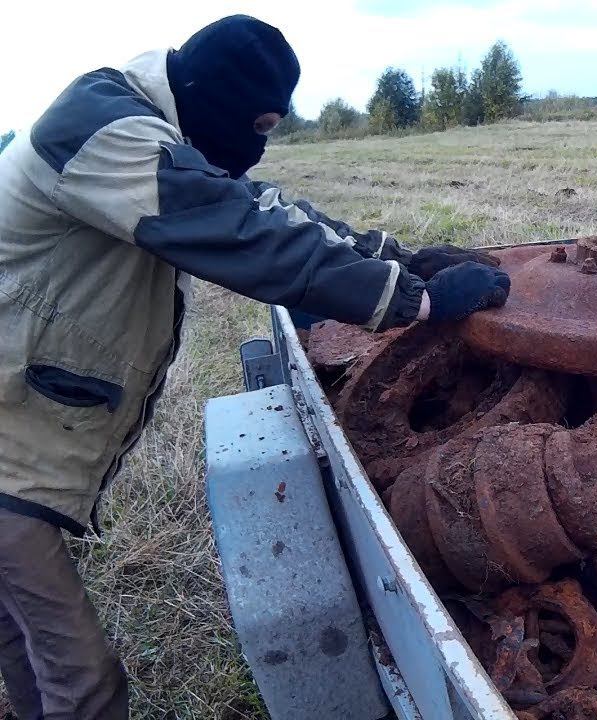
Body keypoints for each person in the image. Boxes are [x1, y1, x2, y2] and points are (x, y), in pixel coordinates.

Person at [0, 15, 510, 719]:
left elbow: (258, 205)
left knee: (24, 635)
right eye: (260, 124)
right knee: (83, 683)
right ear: (215, 99)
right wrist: (411, 302)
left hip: (13, 433)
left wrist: (396, 257)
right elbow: (238, 230)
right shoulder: (106, 132)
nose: (258, 146)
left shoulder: (144, 118)